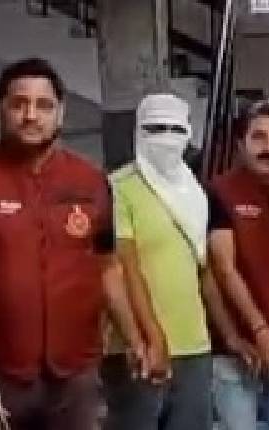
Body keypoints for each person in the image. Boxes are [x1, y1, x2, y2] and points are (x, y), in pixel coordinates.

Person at [0, 58, 146, 430]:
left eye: (44, 105)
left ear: (60, 113)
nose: (31, 115)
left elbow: (107, 266)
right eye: (19, 104)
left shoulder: (92, 182)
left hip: (75, 375)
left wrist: (134, 338)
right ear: (1, 108)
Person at [102, 94, 216, 429]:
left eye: (175, 129)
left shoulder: (194, 192)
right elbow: (125, 266)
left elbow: (202, 268)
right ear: (139, 131)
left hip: (194, 345)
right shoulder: (117, 188)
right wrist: (152, 337)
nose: (166, 138)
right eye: (156, 128)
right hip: (138, 347)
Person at [207, 99, 269, 430]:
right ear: (241, 143)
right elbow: (223, 269)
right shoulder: (219, 192)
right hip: (237, 347)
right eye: (259, 137)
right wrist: (257, 331)